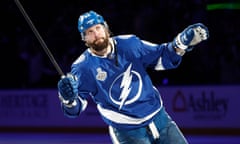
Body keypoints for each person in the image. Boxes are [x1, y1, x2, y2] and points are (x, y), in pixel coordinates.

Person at [57, 10, 209, 144]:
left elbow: (162, 57)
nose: (96, 34)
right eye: (89, 32)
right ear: (84, 39)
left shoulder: (129, 44)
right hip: (127, 132)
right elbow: (76, 107)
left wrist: (181, 43)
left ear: (106, 27)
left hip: (160, 119)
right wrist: (68, 100)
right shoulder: (83, 67)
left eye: (98, 28)